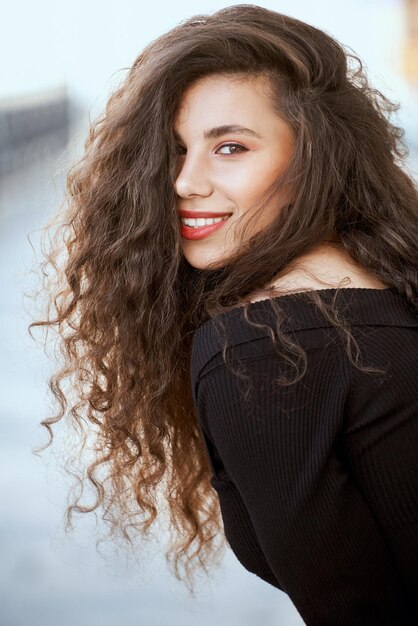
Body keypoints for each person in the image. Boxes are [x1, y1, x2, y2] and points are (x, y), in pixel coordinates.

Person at [29, 5, 418, 625]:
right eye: (177, 151)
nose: (184, 181)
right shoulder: (380, 283)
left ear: (314, 155)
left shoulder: (264, 349)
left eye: (230, 147)